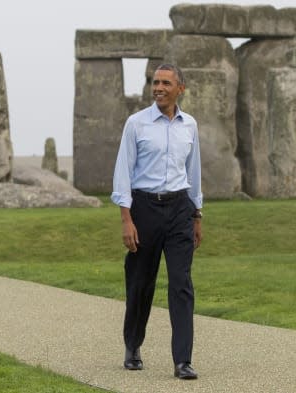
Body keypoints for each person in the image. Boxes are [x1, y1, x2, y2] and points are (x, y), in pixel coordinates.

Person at [111, 63, 203, 380]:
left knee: (181, 285)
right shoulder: (136, 124)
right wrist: (126, 219)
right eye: (155, 82)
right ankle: (133, 346)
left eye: (166, 82)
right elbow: (123, 172)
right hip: (144, 208)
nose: (159, 87)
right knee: (140, 284)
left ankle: (182, 361)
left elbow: (194, 174)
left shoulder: (189, 125)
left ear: (181, 89)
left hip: (180, 208)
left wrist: (197, 215)